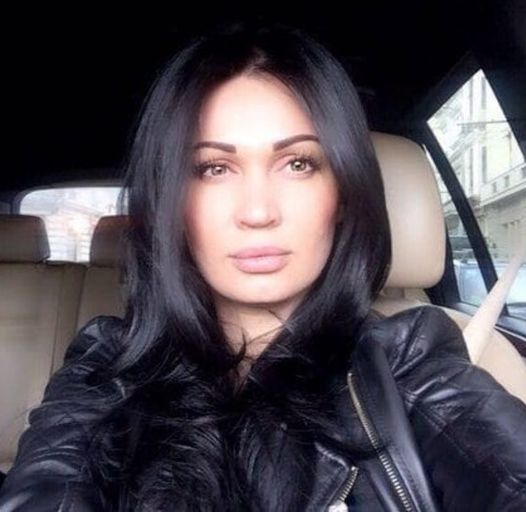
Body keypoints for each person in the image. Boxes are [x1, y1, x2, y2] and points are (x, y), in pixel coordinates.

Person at [0, 20, 525, 512]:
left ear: (343, 192)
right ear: (171, 204)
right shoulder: (105, 367)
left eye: (298, 163)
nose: (257, 212)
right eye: (213, 168)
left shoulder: (409, 361)